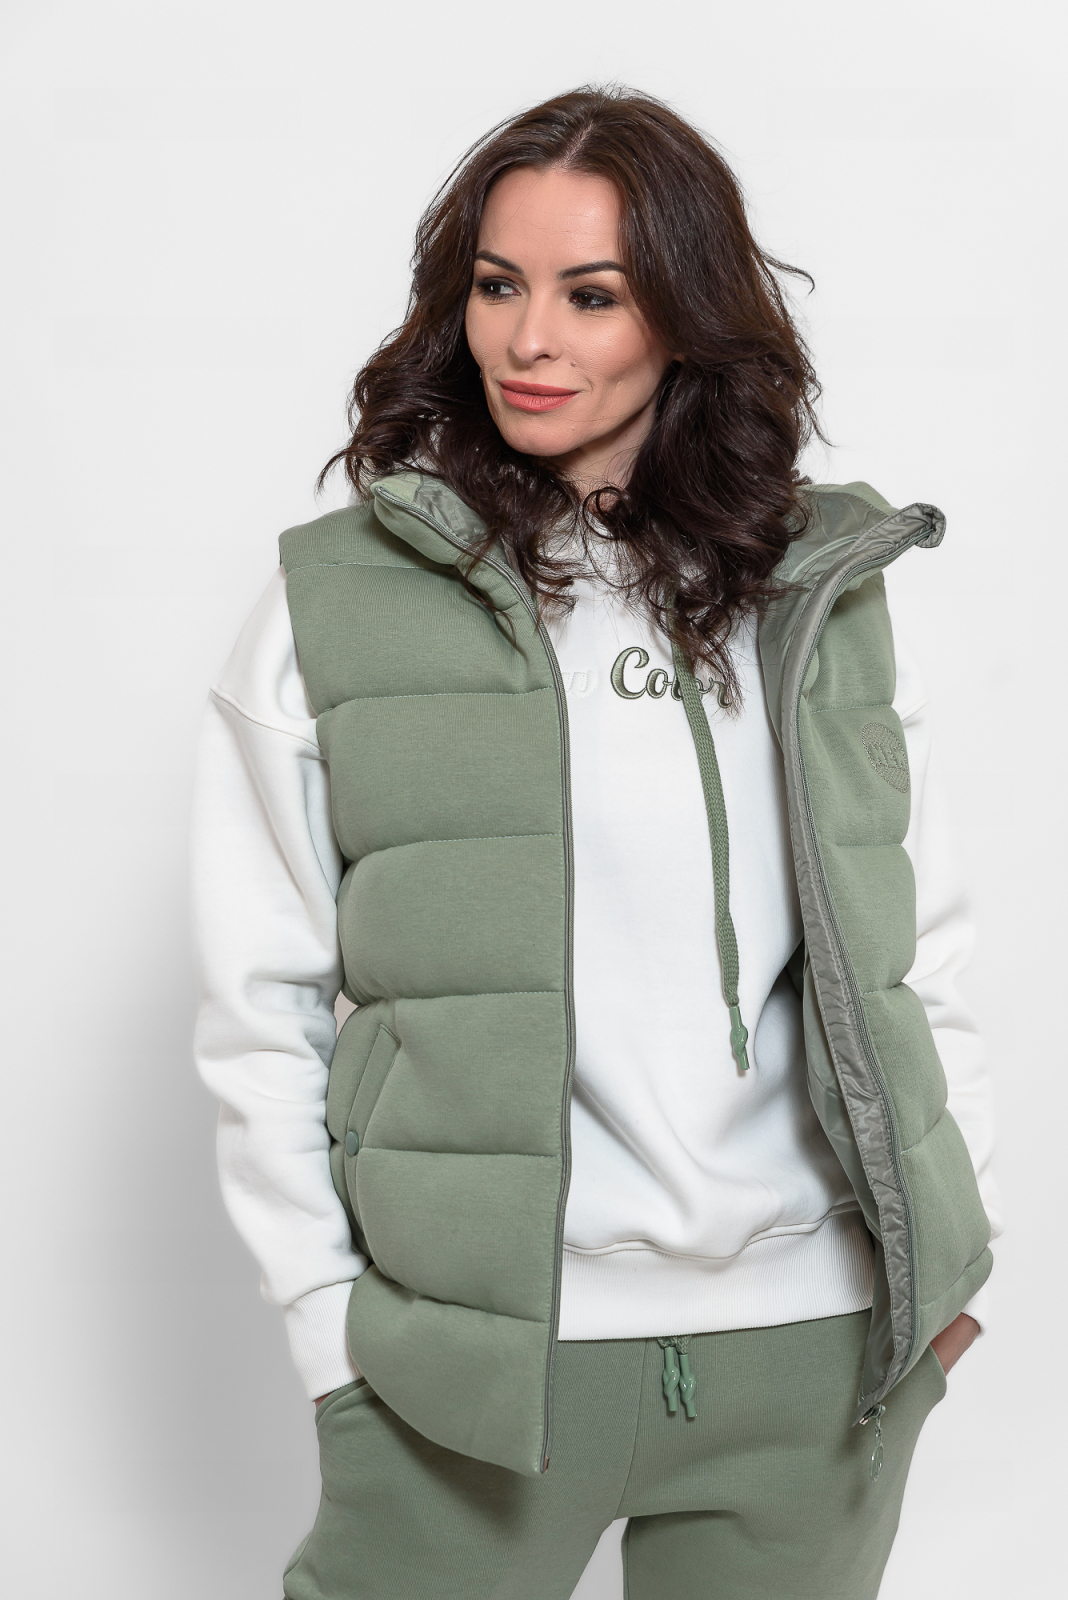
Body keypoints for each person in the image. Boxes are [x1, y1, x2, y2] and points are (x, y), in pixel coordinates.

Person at [191, 86, 1000, 1600]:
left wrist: (953, 1267)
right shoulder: (336, 604)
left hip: (815, 1366)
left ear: (686, 318)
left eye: (592, 294)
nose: (529, 340)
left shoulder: (820, 590)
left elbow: (920, 954)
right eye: (498, 285)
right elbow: (261, 1005)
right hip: (477, 1377)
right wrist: (329, 1335)